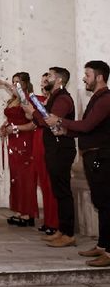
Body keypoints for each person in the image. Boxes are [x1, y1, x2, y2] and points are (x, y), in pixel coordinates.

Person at [46, 60, 110, 265]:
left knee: (106, 204)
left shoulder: (106, 99)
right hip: (93, 156)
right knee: (101, 203)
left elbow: (88, 125)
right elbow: (85, 127)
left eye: (88, 74)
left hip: (102, 156)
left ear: (99, 77)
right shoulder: (97, 98)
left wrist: (59, 121)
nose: (84, 78)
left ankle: (109, 252)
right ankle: (102, 245)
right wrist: (66, 130)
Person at [23, 67, 76, 247]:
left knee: (62, 191)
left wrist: (34, 111)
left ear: (59, 80)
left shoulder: (62, 99)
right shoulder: (54, 97)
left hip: (61, 149)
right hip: (54, 148)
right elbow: (43, 120)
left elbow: (49, 120)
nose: (47, 78)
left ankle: (68, 233)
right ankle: (61, 229)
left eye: (51, 75)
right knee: (58, 191)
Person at [0, 72, 38, 227]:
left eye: (18, 83)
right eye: (13, 82)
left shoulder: (27, 100)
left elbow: (34, 123)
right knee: (16, 176)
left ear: (25, 84)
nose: (14, 85)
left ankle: (28, 214)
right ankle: (20, 210)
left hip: (25, 141)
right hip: (13, 141)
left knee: (25, 177)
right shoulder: (14, 100)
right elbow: (11, 119)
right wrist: (4, 127)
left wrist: (15, 128)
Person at [22, 72, 59, 236]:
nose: (43, 85)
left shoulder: (54, 102)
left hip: (47, 142)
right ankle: (48, 220)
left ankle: (55, 222)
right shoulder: (39, 100)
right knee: (43, 184)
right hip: (38, 140)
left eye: (46, 81)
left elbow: (46, 119)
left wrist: (35, 112)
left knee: (51, 185)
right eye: (42, 82)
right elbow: (30, 116)